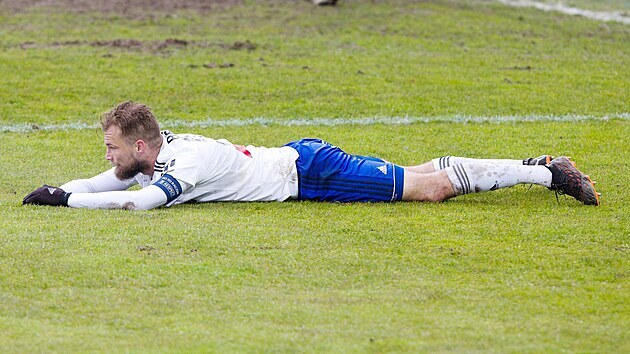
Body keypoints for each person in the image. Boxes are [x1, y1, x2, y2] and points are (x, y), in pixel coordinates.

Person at [23, 101, 600, 210]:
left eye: (113, 145)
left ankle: (545, 173)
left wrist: (69, 206)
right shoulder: (159, 154)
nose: (109, 154)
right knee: (423, 175)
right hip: (304, 167)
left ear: (140, 146)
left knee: (430, 188)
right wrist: (61, 191)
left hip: (309, 172)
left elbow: (142, 202)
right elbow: (110, 181)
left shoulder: (181, 167)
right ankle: (533, 166)